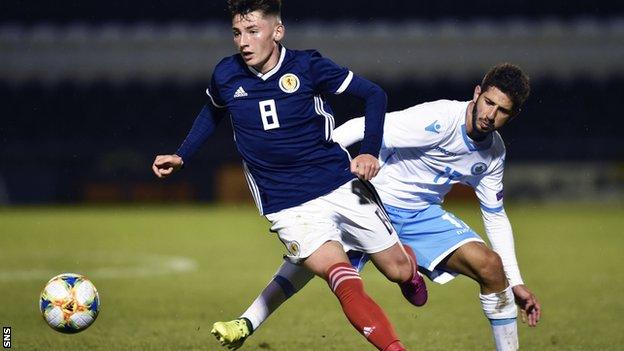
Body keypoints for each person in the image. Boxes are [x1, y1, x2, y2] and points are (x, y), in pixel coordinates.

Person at [151, 1, 426, 350]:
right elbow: (212, 112)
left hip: (338, 182)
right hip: (285, 203)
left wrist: (369, 150)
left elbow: (374, 94)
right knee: (340, 275)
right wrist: (181, 155)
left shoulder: (308, 66)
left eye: (253, 31)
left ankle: (410, 272)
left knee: (398, 270)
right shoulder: (225, 74)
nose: (243, 42)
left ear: (277, 31)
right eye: (237, 33)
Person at [212, 63, 542, 351]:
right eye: (488, 102)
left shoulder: (493, 154)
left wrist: (515, 281)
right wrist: (319, 161)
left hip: (419, 215)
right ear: (476, 93)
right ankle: (247, 322)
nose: (489, 114)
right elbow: (363, 125)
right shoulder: (439, 119)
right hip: (368, 198)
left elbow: (495, 216)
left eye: (501, 111)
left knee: (491, 267)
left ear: (512, 115)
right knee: (308, 261)